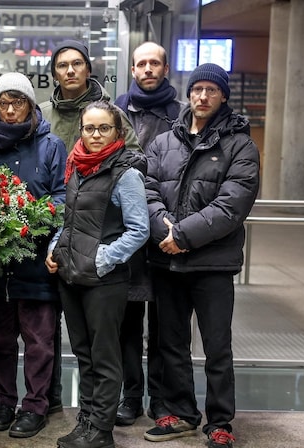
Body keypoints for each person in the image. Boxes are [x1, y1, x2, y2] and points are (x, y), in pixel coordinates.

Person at [142, 63, 260, 448]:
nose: (203, 96)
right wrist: (165, 229)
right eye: (197, 89)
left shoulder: (240, 145)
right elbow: (146, 190)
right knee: (170, 343)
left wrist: (184, 237)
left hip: (213, 263)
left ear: (223, 95)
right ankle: (182, 413)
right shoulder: (163, 142)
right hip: (167, 260)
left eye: (212, 89)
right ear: (188, 94)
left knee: (216, 346)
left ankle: (220, 422)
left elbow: (233, 204)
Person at [39, 38, 142, 416]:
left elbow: (135, 165)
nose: (69, 70)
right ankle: (76, 412)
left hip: (103, 248)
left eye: (77, 63)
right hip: (65, 244)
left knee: (107, 346)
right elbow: (65, 203)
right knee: (76, 342)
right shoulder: (44, 115)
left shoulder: (113, 118)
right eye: (62, 64)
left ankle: (106, 418)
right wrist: (55, 245)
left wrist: (103, 255)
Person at [46, 100, 150, 448]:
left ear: (117, 132)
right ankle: (87, 421)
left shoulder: (126, 173)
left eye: (103, 128)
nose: (95, 134)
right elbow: (70, 220)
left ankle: (102, 432)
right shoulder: (77, 166)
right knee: (85, 354)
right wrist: (54, 250)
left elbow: (139, 230)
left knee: (105, 357)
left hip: (104, 281)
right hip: (71, 276)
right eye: (89, 128)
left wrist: (102, 259)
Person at [0, 72, 67, 439]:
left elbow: (61, 196)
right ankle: (4, 402)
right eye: (3, 104)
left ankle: (35, 406)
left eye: (18, 103)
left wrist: (31, 217)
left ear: (30, 104)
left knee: (39, 339)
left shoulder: (51, 145)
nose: (10, 111)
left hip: (37, 258)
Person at [112, 41, 183, 426]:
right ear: (133, 69)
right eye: (141, 63)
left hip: (168, 231)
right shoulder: (118, 110)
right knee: (127, 323)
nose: (148, 69)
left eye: (154, 63)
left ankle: (160, 398)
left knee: (163, 325)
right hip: (127, 233)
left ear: (166, 68)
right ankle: (131, 396)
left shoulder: (182, 114)